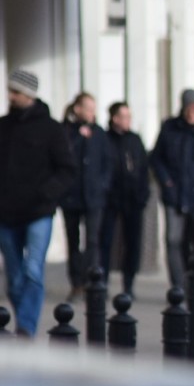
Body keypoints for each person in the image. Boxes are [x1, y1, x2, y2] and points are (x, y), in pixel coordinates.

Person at [0, 68, 77, 336]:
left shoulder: (51, 129)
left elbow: (67, 169)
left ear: (30, 95)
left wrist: (48, 193)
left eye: (17, 92)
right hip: (6, 213)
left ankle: (26, 327)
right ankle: (23, 316)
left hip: (38, 212)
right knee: (14, 276)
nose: (11, 96)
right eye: (10, 91)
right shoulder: (4, 127)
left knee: (33, 270)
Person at [150, 88, 194, 294]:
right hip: (175, 196)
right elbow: (156, 159)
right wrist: (166, 182)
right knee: (173, 240)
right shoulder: (170, 128)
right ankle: (178, 285)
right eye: (188, 109)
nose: (191, 113)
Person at [59, 92, 111, 301]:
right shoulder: (67, 131)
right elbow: (63, 157)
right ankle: (76, 283)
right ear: (77, 109)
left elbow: (108, 162)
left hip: (93, 196)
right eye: (88, 108)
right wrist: (80, 136)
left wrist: (102, 185)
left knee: (92, 241)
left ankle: (92, 281)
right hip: (71, 196)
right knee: (73, 241)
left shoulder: (99, 133)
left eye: (93, 108)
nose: (92, 113)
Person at [100, 101, 150, 297]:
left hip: (133, 198)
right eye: (125, 116)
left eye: (129, 116)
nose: (128, 120)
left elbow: (144, 168)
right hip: (110, 198)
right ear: (115, 118)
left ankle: (129, 284)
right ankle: (101, 282)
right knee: (106, 241)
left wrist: (143, 194)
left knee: (132, 242)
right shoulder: (105, 139)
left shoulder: (135, 140)